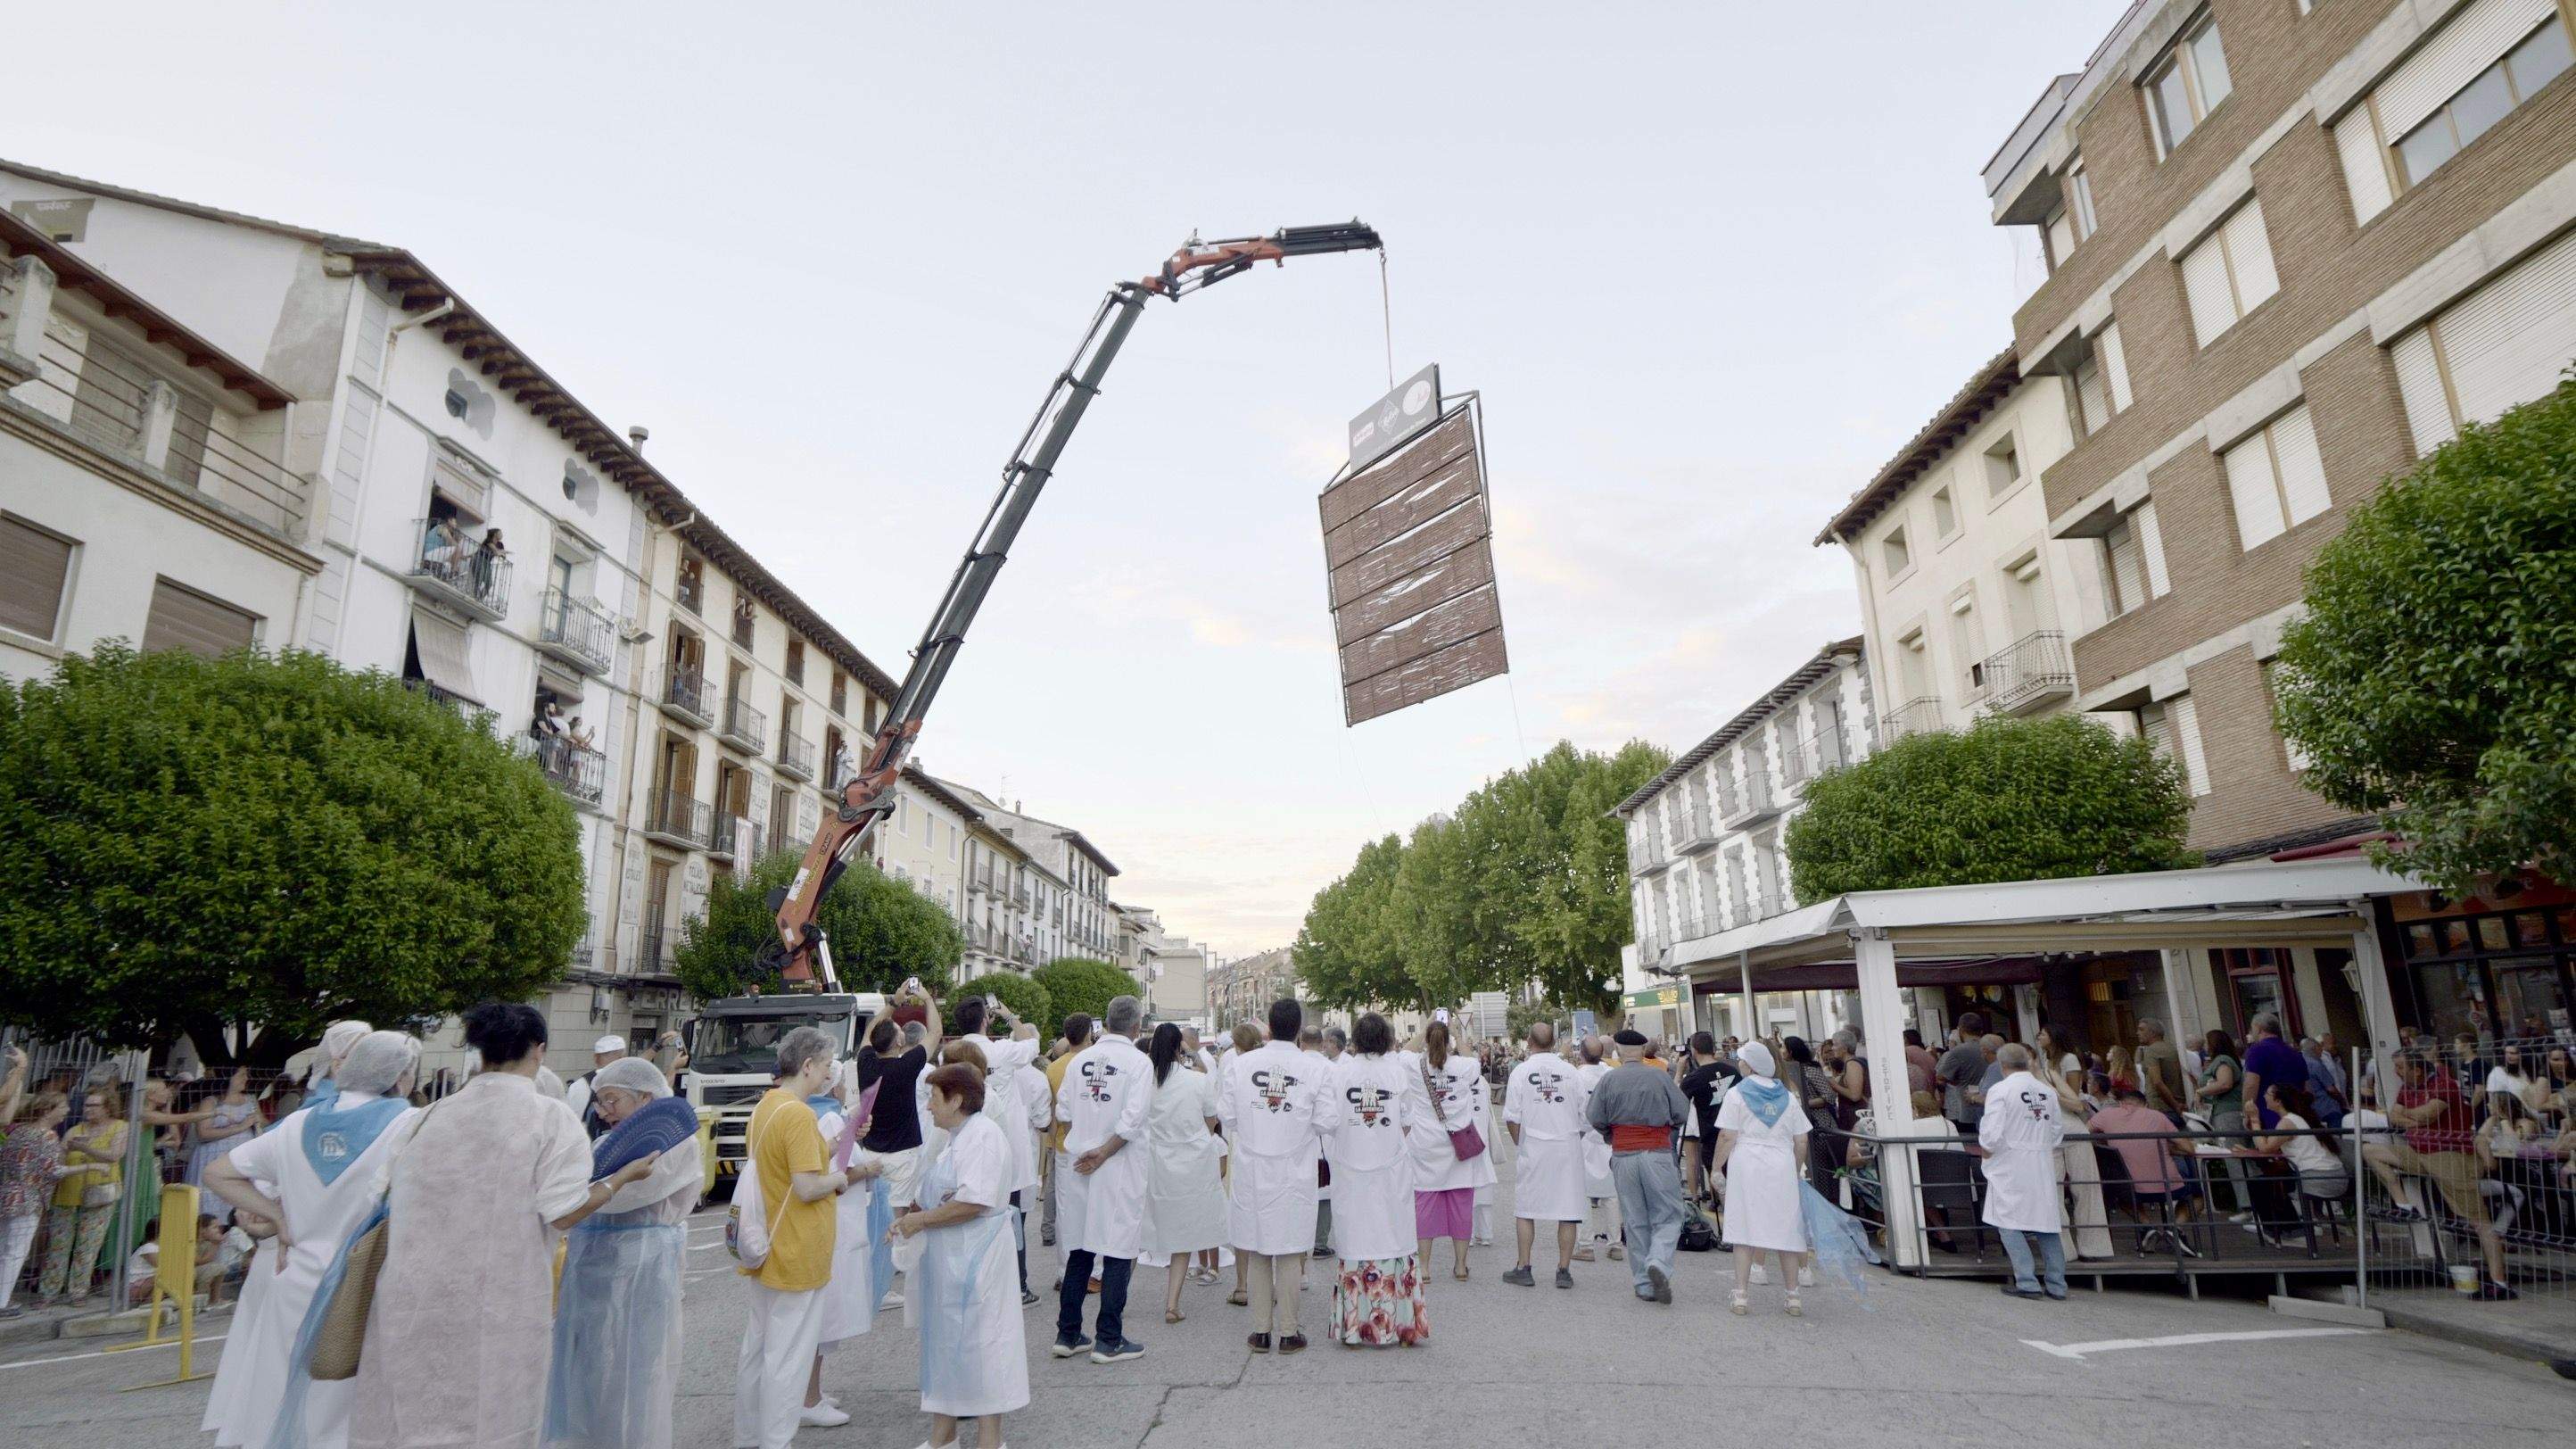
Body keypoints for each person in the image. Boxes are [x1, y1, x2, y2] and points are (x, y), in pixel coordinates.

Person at [349, 1005, 651, 1449]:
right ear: (540, 1050)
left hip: (411, 1302)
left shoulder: (425, 1118)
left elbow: (377, 1195)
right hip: (498, 1306)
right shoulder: (549, 1118)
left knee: (408, 1421)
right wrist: (622, 1177)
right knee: (495, 1424)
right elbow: (565, 1210)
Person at [199, 1031, 423, 1449]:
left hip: (295, 1280)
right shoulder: (408, 1125)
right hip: (364, 1287)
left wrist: (278, 1217)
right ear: (402, 1077)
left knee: (276, 1395)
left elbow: (218, 1173)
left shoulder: (299, 1122)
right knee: (342, 1410)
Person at [546, 1056, 710, 1449]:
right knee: (586, 1366)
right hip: (591, 1269)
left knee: (637, 1372)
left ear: (646, 1098)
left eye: (612, 1100)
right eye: (599, 1103)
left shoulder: (677, 1145)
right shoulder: (606, 1143)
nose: (603, 1113)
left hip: (646, 1265)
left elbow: (614, 1199)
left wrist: (602, 1187)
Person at [731, 1024, 857, 1448]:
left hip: (766, 1247)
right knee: (789, 1358)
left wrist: (837, 1140)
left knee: (758, 1349)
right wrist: (839, 1178)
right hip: (798, 1250)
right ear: (807, 1065)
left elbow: (782, 1170)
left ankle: (749, 1436)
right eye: (825, 1066)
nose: (829, 1076)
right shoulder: (800, 1115)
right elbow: (806, 1187)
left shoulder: (767, 1106)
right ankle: (776, 1440)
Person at [890, 1063, 1027, 1449]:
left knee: (983, 1349)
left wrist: (920, 1221)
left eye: (934, 1099)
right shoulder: (958, 1136)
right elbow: (948, 1192)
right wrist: (914, 1215)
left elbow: (972, 1201)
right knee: (948, 1348)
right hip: (954, 1260)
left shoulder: (981, 1136)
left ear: (958, 1100)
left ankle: (989, 1439)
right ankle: (943, 1436)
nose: (929, 1108)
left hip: (976, 1260)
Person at [1220, 999, 1330, 1352]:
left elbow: (1228, 1117)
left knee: (1257, 1250)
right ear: (1298, 1029)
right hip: (1294, 1169)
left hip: (1253, 1166)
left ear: (1268, 1027)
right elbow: (1328, 1121)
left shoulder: (1242, 1064)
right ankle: (1288, 1332)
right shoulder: (1315, 1067)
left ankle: (1260, 1330)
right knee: (1288, 1249)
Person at [2361, 1049, 2514, 1299]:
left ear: (2417, 1069)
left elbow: (2426, 1114)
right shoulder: (2407, 1088)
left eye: (2400, 1067)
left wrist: (2412, 1117)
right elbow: (2394, 1115)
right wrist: (2416, 1118)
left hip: (2449, 1155)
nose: (2396, 1072)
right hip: (2420, 1151)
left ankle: (2500, 1282)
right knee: (2370, 1150)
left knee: (2479, 1221)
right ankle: (2403, 1203)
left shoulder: (2445, 1085)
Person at [1053, 993, 1153, 1364]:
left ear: (1106, 1022)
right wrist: (1105, 1150)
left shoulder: (1080, 1061)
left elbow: (1063, 1109)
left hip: (1080, 1162)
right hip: (1116, 1164)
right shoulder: (1139, 1063)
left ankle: (1068, 1332)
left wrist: (1087, 1134)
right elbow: (1133, 1118)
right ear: (1136, 1026)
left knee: (1080, 1247)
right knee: (1117, 1249)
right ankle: (1108, 1337)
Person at [1321, 1014, 1422, 1346]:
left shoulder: (1341, 1072)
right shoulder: (1397, 1072)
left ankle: (1355, 1324)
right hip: (1390, 1170)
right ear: (1386, 1039)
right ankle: (1399, 1323)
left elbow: (1329, 1122)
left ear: (1357, 1039)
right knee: (1392, 1235)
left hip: (1352, 1170)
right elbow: (1407, 1121)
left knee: (1356, 1240)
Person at [1587, 1030, 1689, 1304]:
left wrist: (1613, 1134)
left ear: (1618, 1051)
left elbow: (1594, 1116)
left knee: (1634, 1219)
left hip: (1623, 1153)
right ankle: (1658, 1260)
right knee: (1668, 1215)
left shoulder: (1609, 1079)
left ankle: (1643, 1283)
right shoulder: (1659, 1076)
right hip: (1656, 1152)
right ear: (1644, 1050)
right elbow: (1681, 1111)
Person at [856, 987, 943, 1312]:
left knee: (874, 1218)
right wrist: (927, 1001)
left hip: (871, 1152)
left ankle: (874, 1277)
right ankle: (883, 1283)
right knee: (896, 1217)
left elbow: (869, 1033)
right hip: (904, 1153)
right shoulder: (907, 1067)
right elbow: (935, 1032)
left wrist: (893, 1004)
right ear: (899, 1042)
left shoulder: (865, 1064)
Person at [1710, 1041, 1811, 1315]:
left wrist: (1717, 1168)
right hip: (1781, 1161)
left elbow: (1727, 1135)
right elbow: (1801, 1140)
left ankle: (1741, 1295)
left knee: (1744, 1229)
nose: (1738, 1063)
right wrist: (1794, 1169)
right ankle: (1793, 1297)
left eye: (1741, 1060)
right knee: (1787, 1232)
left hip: (1747, 1162)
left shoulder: (1737, 1094)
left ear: (1750, 1065)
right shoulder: (1788, 1096)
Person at [1141, 1023, 1226, 1326]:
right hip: (1193, 1162)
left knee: (1151, 1227)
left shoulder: (1144, 1082)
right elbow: (1212, 1120)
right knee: (1186, 1233)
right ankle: (1172, 1303)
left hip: (1158, 1161)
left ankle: (1151, 1300)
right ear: (1180, 1047)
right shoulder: (1197, 1081)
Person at [1399, 1019, 1491, 1281]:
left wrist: (1425, 1027)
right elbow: (1472, 1058)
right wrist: (1456, 1033)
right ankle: (1461, 1266)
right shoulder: (1464, 1066)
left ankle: (1425, 1268)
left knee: (1424, 1205)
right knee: (1462, 1206)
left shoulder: (1414, 1066)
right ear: (1449, 1041)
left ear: (1427, 1041)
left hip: (1425, 1144)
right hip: (1458, 1146)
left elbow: (1404, 1051)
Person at [1501, 1023, 1588, 1290]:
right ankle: (1563, 1270)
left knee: (1526, 1208)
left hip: (1535, 1146)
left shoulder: (1521, 1072)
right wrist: (1571, 1138)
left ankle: (1524, 1266)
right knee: (1568, 1209)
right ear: (1553, 1041)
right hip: (1567, 1146)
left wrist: (1521, 1143)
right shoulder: (1571, 1072)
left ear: (1528, 1041)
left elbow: (1512, 1117)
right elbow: (1584, 1115)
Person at [1979, 1044, 2069, 1300]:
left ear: (2001, 1064)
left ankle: (2027, 1281)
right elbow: (2056, 1131)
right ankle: (2057, 1283)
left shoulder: (2000, 1091)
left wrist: (1987, 1149)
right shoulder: (2046, 1092)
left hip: (2010, 1161)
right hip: (2040, 1160)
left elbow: (1992, 1131)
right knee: (2046, 1223)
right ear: (2028, 1062)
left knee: (2008, 1221)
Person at [2089, 1083, 2202, 1254]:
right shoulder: (2158, 1116)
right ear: (2146, 1105)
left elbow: (2083, 1132)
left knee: (2120, 1194)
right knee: (2197, 1196)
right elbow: (2189, 1149)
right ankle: (2175, 1229)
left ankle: (2147, 1226)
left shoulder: (2105, 1115)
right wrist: (2166, 1147)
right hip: (2168, 1186)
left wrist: (2106, 1143)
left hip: (2129, 1190)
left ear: (2121, 1103)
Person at [37, 1088, 126, 1303]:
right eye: (87, 1105)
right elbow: (59, 1156)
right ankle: (48, 1291)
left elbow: (115, 1156)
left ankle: (78, 1291)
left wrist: (85, 1150)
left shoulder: (120, 1127)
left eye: (94, 1105)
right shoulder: (75, 1129)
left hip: (100, 1193)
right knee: (59, 1244)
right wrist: (65, 1148)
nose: (88, 1109)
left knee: (88, 1245)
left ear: (108, 1108)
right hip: (68, 1192)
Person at [0, 1091, 70, 1317]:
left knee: (4, 1248)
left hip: (7, 1194)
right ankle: (2, 1302)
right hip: (29, 1199)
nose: (66, 1111)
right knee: (16, 1252)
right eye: (62, 1106)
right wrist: (87, 1168)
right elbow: (53, 1171)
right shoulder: (48, 1136)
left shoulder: (17, 1131)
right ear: (47, 1110)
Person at [1039, 1014, 1093, 1255]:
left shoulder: (1054, 1067)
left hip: (1062, 1145)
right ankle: (1094, 1269)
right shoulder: (1095, 1062)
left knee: (1064, 1210)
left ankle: (1064, 1269)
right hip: (1095, 1145)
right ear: (1089, 1034)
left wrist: (1051, 1141)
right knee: (1092, 1210)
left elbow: (1051, 1109)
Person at [184, 1067, 262, 1223]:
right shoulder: (211, 1102)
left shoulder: (251, 1101)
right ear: (228, 1078)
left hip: (241, 1159)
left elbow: (263, 1125)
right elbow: (203, 1133)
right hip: (214, 1157)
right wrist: (240, 1127)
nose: (246, 1078)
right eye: (241, 1075)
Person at [1571, 1036, 1619, 1263]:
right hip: (1609, 1138)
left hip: (1585, 1137)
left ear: (1581, 1054)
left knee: (1583, 1193)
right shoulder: (1611, 1075)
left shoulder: (1576, 1076)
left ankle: (1586, 1245)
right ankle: (1615, 1243)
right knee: (1612, 1194)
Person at [1679, 1032, 1735, 1206]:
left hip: (1712, 1138)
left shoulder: (1694, 1078)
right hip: (1736, 1135)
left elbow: (1675, 1103)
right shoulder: (1732, 1071)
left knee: (1721, 1185)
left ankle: (1728, 1222)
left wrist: (1679, 1072)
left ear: (1694, 1051)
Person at [2241, 1013, 2306, 1133]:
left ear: (2259, 1028)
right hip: (2298, 1113)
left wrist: (2247, 1113)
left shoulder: (2257, 1050)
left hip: (2269, 1114)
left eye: (2252, 1028)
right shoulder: (2294, 1052)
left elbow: (2251, 1084)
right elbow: (2307, 1087)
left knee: (2270, 1150)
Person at [562, 1034, 630, 1140]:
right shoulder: (630, 1082)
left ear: (595, 1058)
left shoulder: (580, 1085)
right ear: (622, 1057)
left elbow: (568, 1124)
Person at [1936, 1014, 1988, 1138]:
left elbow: (1941, 1077)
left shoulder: (1959, 1051)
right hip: (1993, 1105)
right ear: (1981, 1030)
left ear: (1961, 1029)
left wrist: (1957, 1079)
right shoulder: (1993, 1047)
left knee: (1971, 1147)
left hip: (1968, 1109)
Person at [2136, 1020, 2189, 1122]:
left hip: (2162, 1107)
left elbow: (2157, 1082)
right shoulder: (2171, 1048)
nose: (2138, 1033)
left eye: (2141, 1030)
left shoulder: (2151, 1050)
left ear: (2153, 1033)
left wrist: (2175, 1105)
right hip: (2177, 1102)